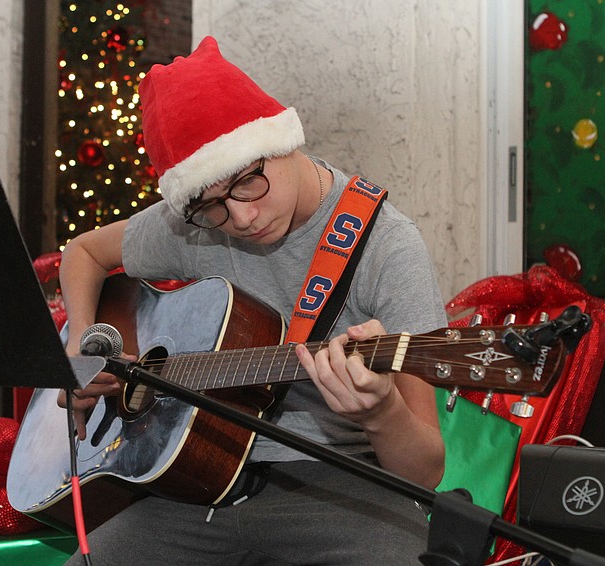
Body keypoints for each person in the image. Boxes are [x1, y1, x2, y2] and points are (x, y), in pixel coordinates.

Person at [59, 35, 447, 565]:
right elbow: (83, 252)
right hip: (195, 482)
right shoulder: (193, 226)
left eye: (248, 182)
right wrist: (84, 344)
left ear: (282, 143)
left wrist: (382, 413)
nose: (241, 218)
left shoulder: (387, 246)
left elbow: (425, 472)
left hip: (345, 486)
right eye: (213, 206)